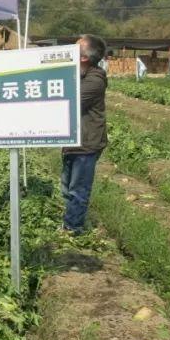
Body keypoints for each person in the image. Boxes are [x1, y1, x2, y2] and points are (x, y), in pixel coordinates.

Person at [62, 34, 108, 234]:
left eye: (74, 48)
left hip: (86, 143)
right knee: (67, 187)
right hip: (74, 141)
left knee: (78, 189)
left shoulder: (94, 81)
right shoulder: (80, 74)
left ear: (84, 57)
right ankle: (69, 223)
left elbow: (68, 101)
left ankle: (73, 229)